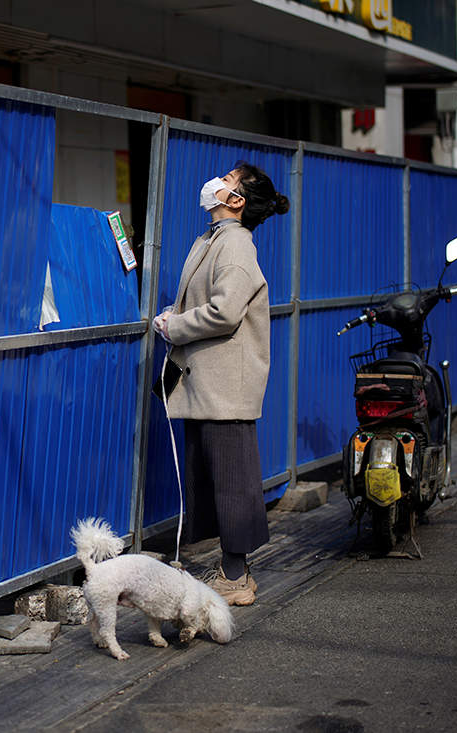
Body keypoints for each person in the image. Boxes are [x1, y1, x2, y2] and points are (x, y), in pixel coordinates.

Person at [152, 163, 289, 606]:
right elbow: (204, 302)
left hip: (225, 386)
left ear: (236, 201)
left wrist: (176, 326)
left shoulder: (234, 247)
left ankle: (236, 575)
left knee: (232, 479)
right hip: (208, 382)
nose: (216, 182)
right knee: (214, 477)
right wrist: (174, 315)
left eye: (227, 181)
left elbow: (224, 313)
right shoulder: (216, 241)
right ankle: (231, 568)